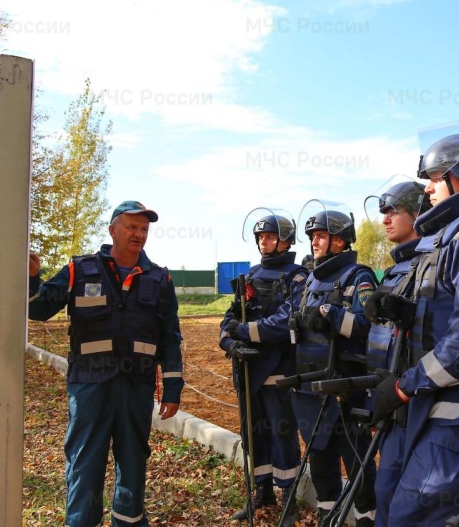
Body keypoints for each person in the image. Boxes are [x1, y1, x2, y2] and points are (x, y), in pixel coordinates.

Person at [368, 132, 459, 524]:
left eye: (435, 177)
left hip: (456, 415)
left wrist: (405, 385)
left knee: (413, 515)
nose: (429, 188)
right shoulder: (452, 237)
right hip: (430, 406)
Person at [28, 200, 184, 527]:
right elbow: (38, 309)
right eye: (131, 227)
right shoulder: (79, 270)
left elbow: (170, 337)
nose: (138, 234)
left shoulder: (159, 280)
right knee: (85, 461)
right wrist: (31, 278)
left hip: (136, 386)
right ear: (113, 229)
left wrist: (173, 388)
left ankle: (128, 522)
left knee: (133, 461)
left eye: (143, 228)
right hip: (89, 385)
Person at [291, 206, 378, 526]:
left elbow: (370, 328)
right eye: (312, 236)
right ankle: (328, 515)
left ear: (341, 241)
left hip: (344, 388)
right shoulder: (309, 279)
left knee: (357, 459)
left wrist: (331, 315)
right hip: (310, 389)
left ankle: (367, 516)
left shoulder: (359, 276)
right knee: (320, 458)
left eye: (322, 236)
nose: (315, 242)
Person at [219, 211, 307, 522]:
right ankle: (262, 492)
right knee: (253, 435)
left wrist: (243, 332)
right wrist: (229, 343)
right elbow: (229, 318)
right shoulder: (252, 275)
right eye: (260, 237)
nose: (263, 242)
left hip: (279, 371)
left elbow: (283, 323)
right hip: (247, 371)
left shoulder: (298, 276)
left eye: (269, 236)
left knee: (282, 435)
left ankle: (288, 498)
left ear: (285, 241)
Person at [361, 181, 429, 527]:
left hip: (415, 407)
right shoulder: (394, 270)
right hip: (390, 404)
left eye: (393, 211)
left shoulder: (431, 264)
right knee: (385, 496)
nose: (385, 219)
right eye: (383, 212)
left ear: (418, 213)